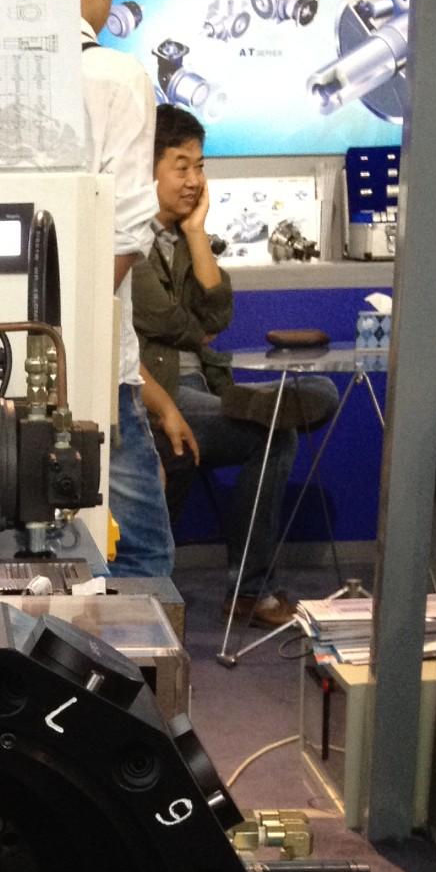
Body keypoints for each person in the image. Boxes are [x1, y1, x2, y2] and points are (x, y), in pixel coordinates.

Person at [7, 0, 194, 581]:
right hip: (90, 373)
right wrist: (68, 333)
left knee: (8, 550)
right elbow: (124, 234)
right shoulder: (116, 77)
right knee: (141, 558)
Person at [134, 106, 338, 628]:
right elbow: (164, 317)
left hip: (202, 385)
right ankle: (251, 591)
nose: (194, 180)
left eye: (200, 167)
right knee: (275, 433)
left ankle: (274, 402)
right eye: (181, 166)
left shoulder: (182, 238)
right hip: (156, 390)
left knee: (300, 407)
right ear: (146, 169)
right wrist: (195, 327)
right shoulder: (127, 238)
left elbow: (219, 315)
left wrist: (197, 232)